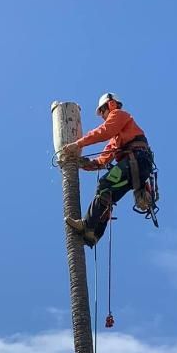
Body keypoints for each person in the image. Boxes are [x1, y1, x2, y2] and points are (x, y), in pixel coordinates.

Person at [60, 93, 154, 247]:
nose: (103, 116)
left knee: (104, 184)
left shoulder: (119, 115)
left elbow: (104, 131)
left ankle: (87, 225)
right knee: (107, 195)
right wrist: (82, 163)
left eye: (102, 112)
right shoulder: (118, 138)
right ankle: (94, 234)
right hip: (136, 166)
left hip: (136, 161)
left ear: (110, 105)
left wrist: (78, 144)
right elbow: (103, 159)